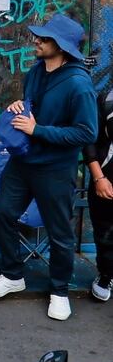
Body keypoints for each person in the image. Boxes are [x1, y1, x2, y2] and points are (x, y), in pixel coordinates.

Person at [0, 14, 98, 321]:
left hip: (56, 169)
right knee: (4, 213)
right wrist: (19, 106)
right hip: (22, 163)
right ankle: (12, 275)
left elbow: (87, 133)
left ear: (61, 47)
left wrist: (38, 131)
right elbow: (32, 107)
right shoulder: (36, 71)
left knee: (60, 232)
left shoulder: (79, 84)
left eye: (44, 39)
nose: (36, 40)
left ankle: (59, 291)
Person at [85, 85, 113, 302]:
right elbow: (90, 141)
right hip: (106, 179)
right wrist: (98, 177)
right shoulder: (107, 100)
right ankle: (106, 276)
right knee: (105, 232)